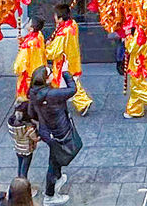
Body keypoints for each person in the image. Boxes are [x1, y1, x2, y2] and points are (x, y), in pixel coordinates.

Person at [29, 64, 83, 205]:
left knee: (56, 157)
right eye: (50, 73)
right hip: (58, 131)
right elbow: (72, 90)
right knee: (54, 162)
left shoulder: (33, 93)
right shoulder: (52, 94)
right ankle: (50, 195)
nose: (53, 73)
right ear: (46, 80)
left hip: (47, 132)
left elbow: (31, 113)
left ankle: (57, 178)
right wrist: (66, 73)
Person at [49, 2, 93, 115]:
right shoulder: (72, 24)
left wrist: (47, 47)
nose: (54, 18)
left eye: (55, 16)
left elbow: (54, 51)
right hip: (72, 58)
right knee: (71, 81)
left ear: (60, 18)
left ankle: (83, 102)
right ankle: (81, 102)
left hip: (64, 62)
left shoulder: (63, 33)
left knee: (68, 83)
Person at [15, 16, 49, 100]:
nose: (27, 23)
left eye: (29, 23)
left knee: (25, 94)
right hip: (39, 70)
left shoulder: (29, 44)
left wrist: (17, 69)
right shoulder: (39, 36)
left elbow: (21, 60)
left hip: (29, 72)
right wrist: (22, 41)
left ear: (32, 28)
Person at [9, 98, 39, 182]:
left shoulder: (13, 125)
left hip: (18, 148)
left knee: (20, 166)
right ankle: (23, 185)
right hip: (27, 150)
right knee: (25, 169)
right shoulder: (29, 128)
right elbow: (35, 138)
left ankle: (19, 180)